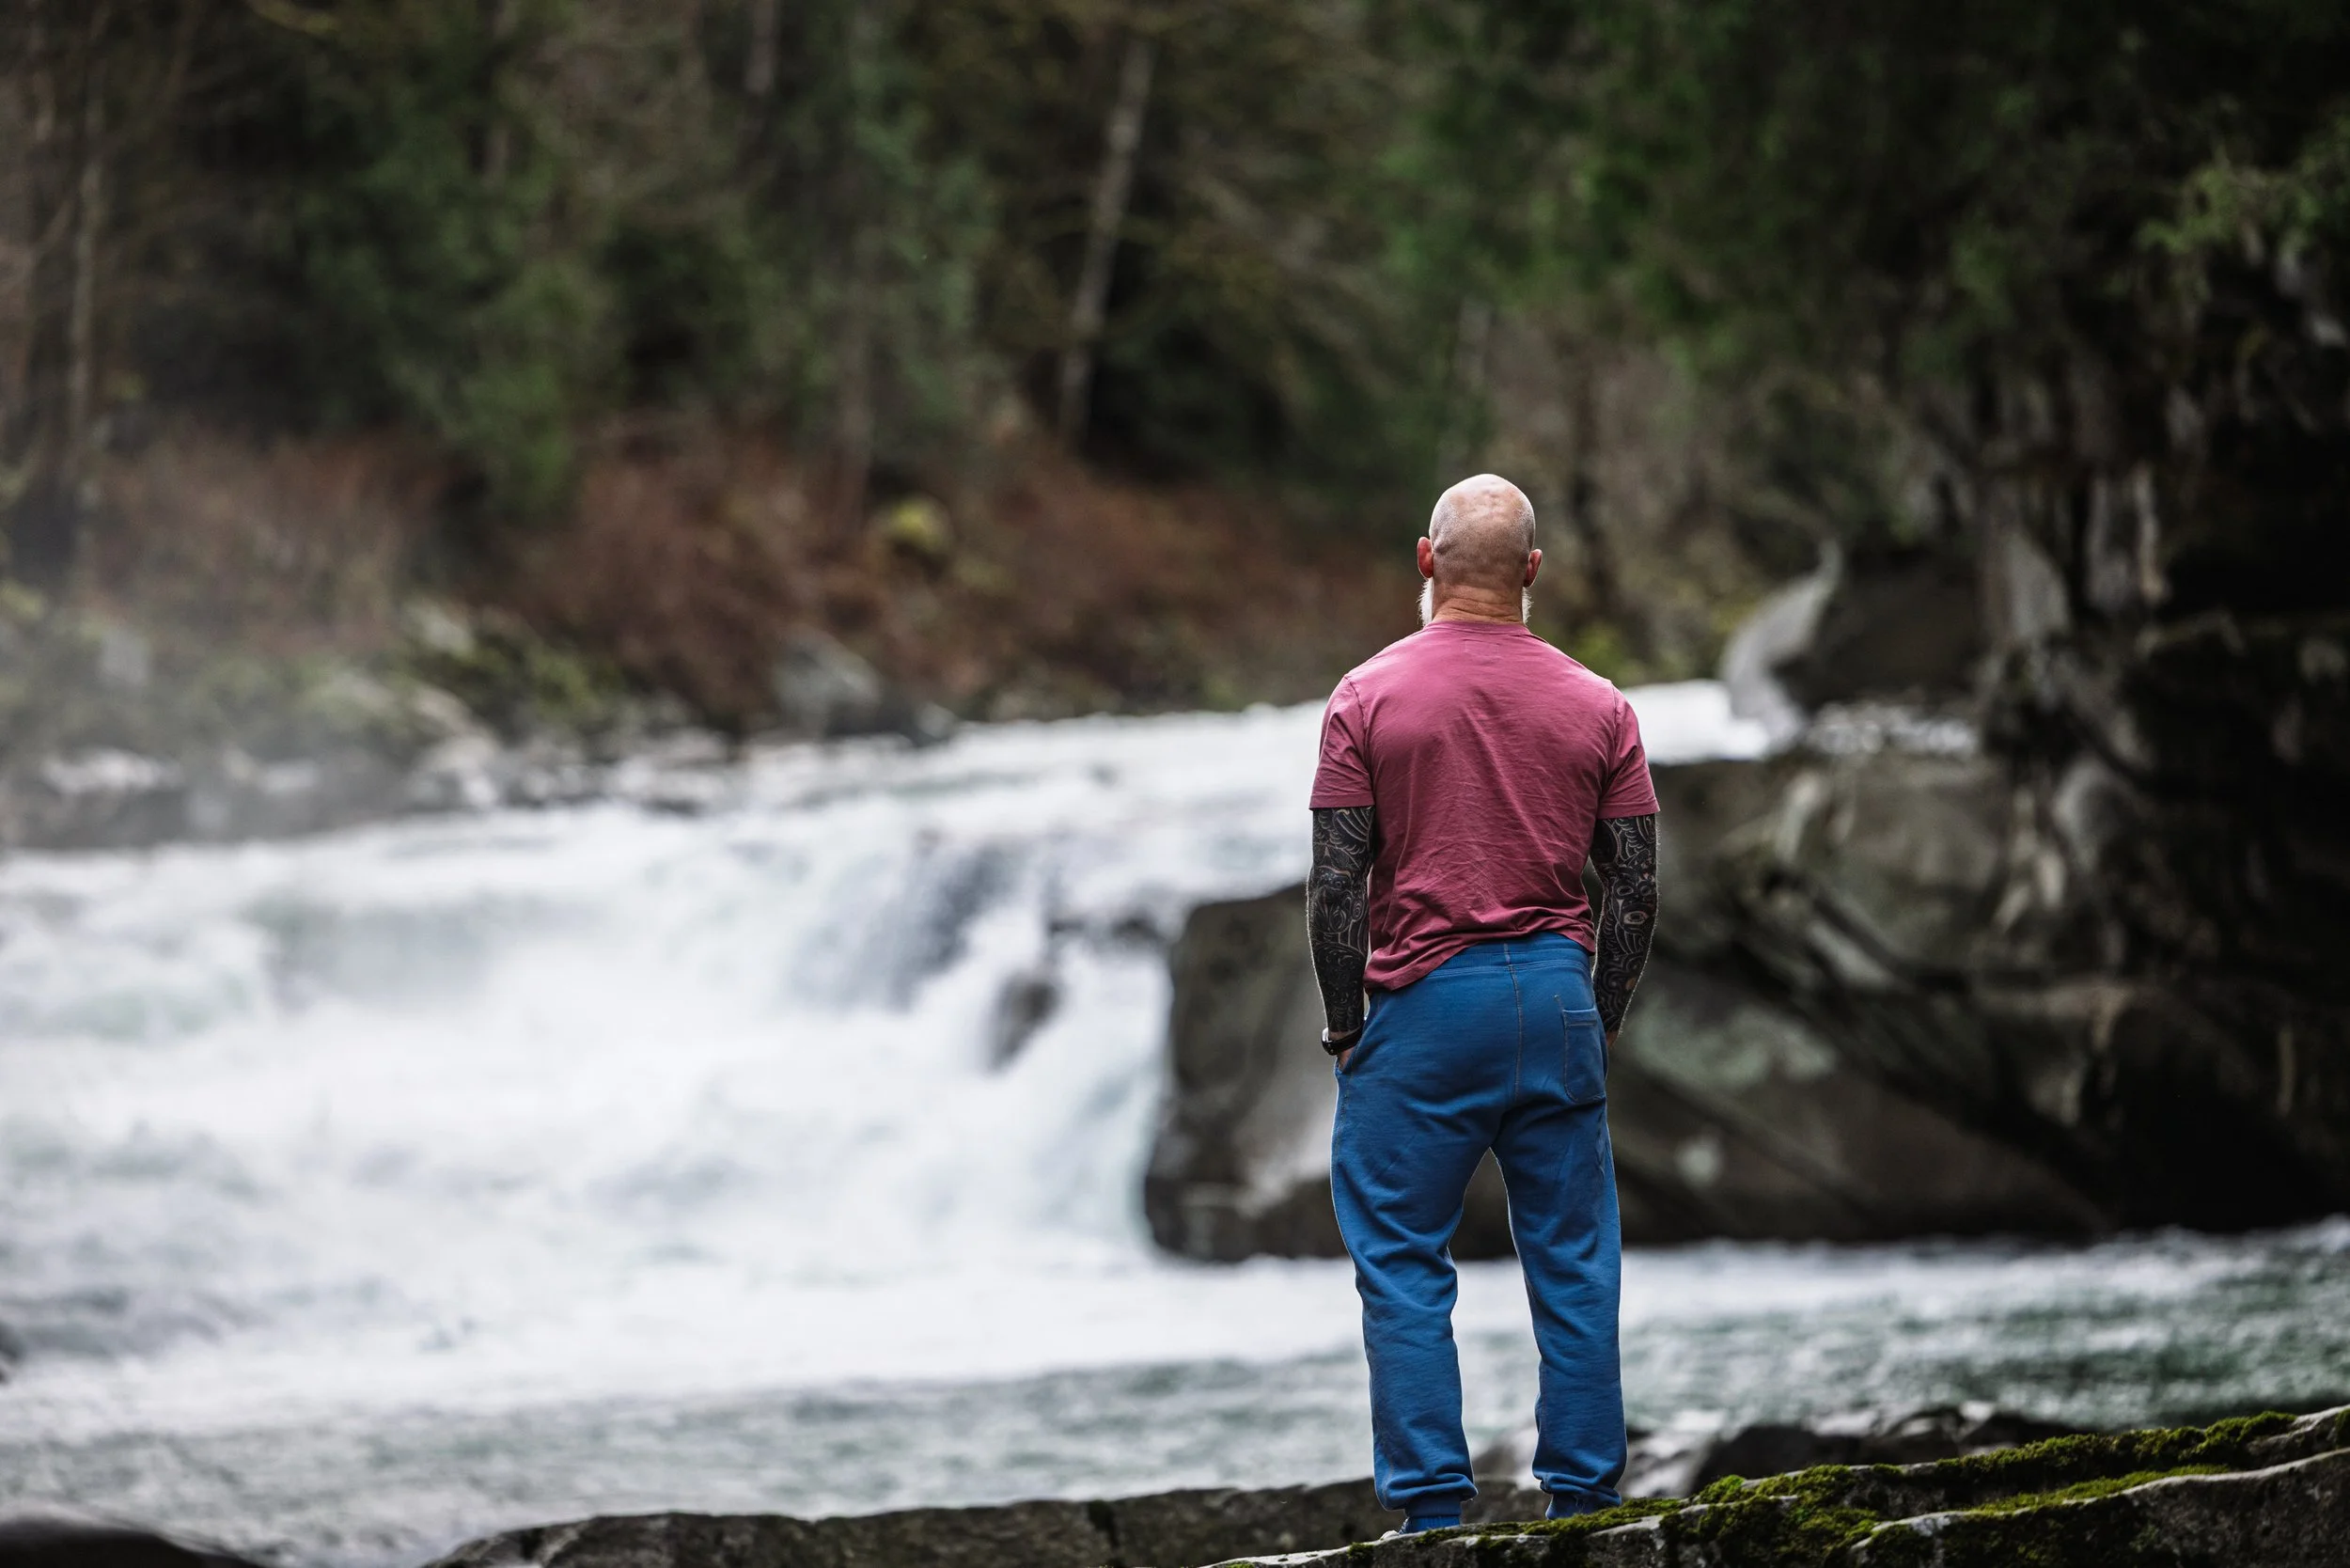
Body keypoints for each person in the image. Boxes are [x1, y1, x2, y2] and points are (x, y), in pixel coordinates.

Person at [1306, 473, 1659, 1531]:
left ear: (1426, 560)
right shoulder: (1600, 705)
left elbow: (1334, 883)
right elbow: (1634, 885)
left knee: (1403, 1258)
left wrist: (1343, 1021)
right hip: (1553, 995)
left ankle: (1429, 1515)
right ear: (1533, 574)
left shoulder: (1365, 697)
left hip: (1419, 1006)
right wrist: (1597, 1015)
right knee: (1574, 1260)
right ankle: (1586, 1502)